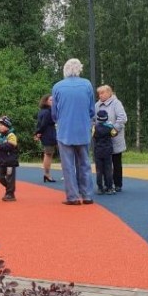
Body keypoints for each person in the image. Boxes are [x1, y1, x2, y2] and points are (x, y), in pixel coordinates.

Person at [51, 58, 95, 205]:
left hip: (65, 131)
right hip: (83, 130)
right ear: (79, 69)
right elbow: (91, 110)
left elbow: (54, 113)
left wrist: (59, 120)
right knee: (84, 164)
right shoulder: (87, 84)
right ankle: (87, 195)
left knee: (68, 166)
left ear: (65, 70)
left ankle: (73, 197)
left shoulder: (57, 86)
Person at [95, 85, 128, 192]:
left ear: (109, 93)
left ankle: (117, 184)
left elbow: (122, 118)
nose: (100, 95)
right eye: (99, 93)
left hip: (115, 138)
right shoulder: (97, 105)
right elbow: (92, 119)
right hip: (102, 142)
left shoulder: (116, 103)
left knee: (116, 161)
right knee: (103, 164)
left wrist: (113, 131)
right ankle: (107, 184)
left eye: (102, 93)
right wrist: (95, 130)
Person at [92, 110, 117, 194]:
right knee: (108, 169)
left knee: (99, 170)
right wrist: (111, 126)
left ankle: (100, 188)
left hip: (98, 150)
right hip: (107, 150)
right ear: (106, 118)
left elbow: (93, 135)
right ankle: (109, 187)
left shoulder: (95, 127)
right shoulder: (109, 127)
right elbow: (114, 134)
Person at [34, 94, 57, 182]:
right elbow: (43, 125)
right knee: (48, 155)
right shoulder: (47, 112)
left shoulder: (42, 111)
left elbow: (39, 124)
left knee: (48, 154)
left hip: (47, 135)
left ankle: (47, 174)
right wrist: (38, 133)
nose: (53, 102)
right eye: (51, 100)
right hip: (49, 135)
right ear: (45, 101)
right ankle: (47, 174)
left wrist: (38, 133)